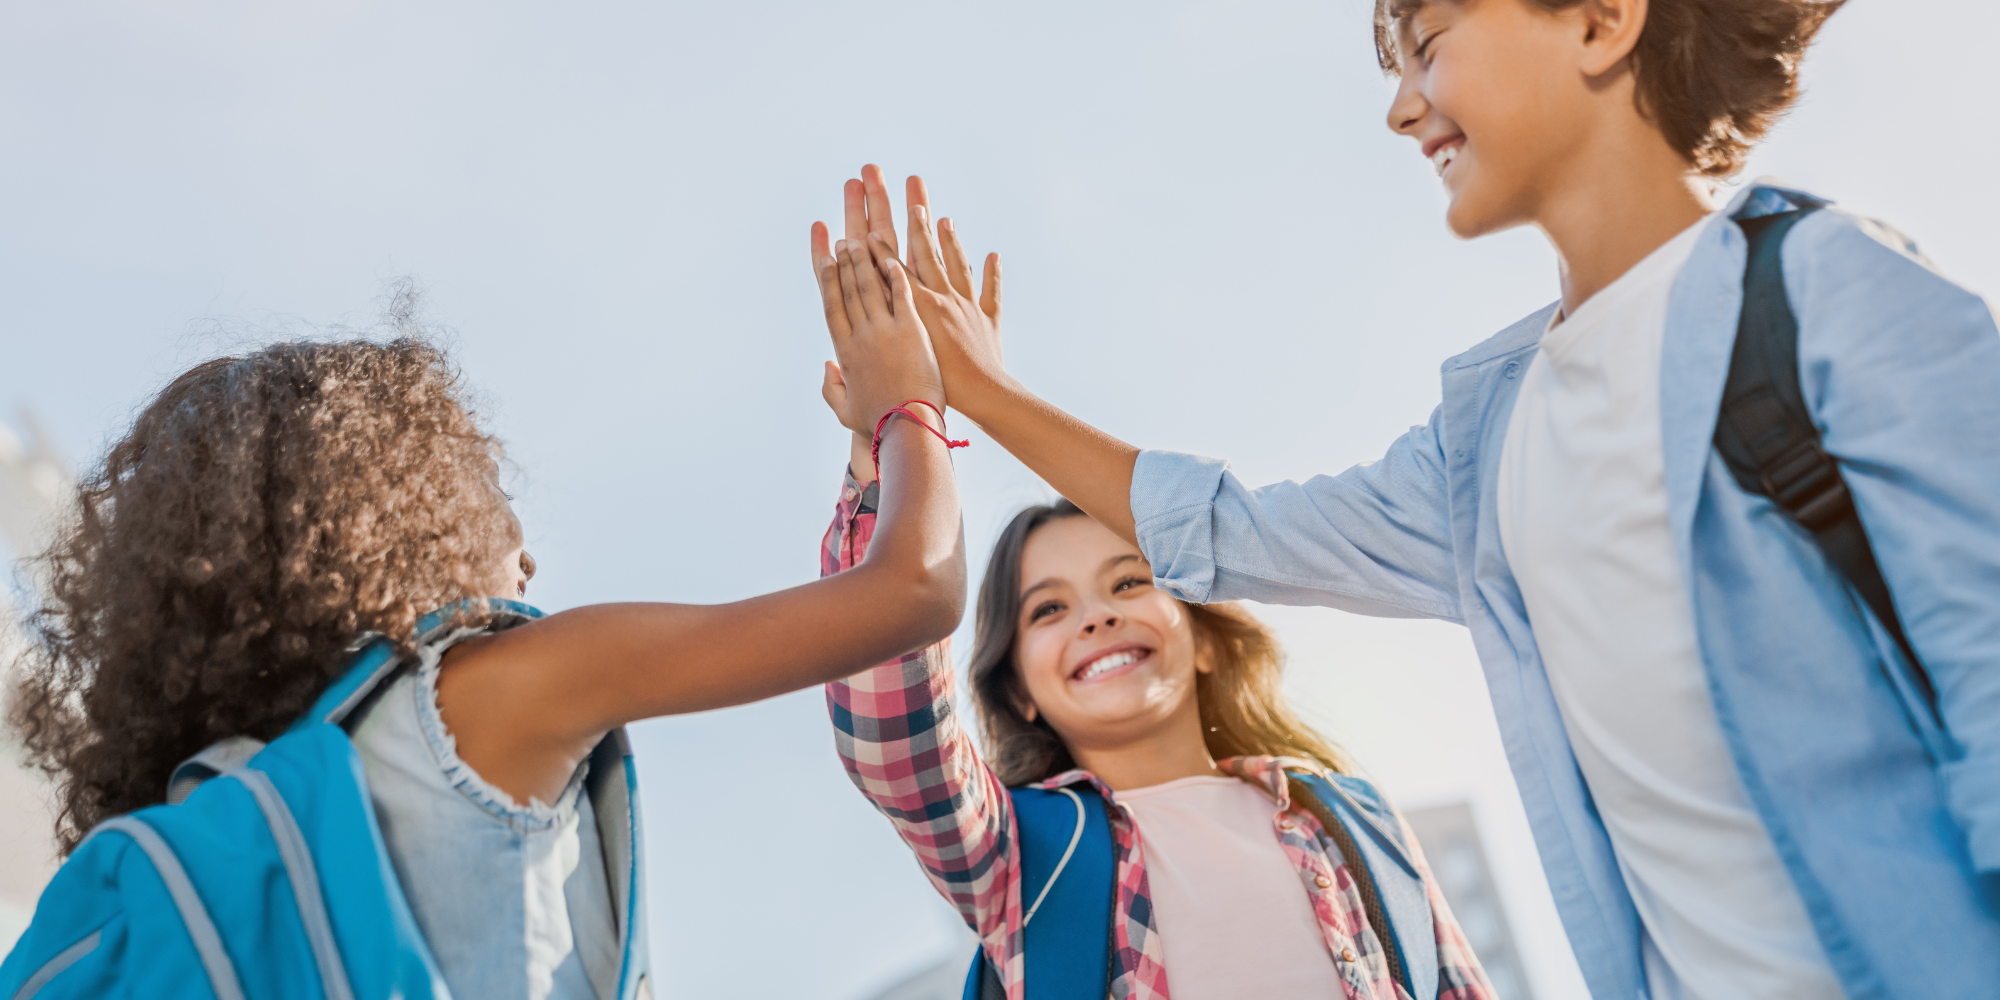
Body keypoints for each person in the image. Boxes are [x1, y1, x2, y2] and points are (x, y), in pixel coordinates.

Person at [830, 0, 2000, 995]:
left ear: (1599, 22)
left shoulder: (1825, 298)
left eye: (1428, 45)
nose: (1401, 108)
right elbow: (1223, 528)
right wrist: (972, 393)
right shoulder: (1481, 452)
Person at [7, 246, 962, 1000]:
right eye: (492, 496)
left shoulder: (234, 805)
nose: (527, 558)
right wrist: (909, 402)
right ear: (406, 507)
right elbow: (916, 588)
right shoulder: (488, 693)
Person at [814, 173, 1495, 1000]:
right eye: (1050, 609)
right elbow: (897, 740)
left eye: (1129, 581)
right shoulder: (1023, 855)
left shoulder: (1354, 822)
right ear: (1019, 690)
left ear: (1205, 636)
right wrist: (894, 440)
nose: (1096, 617)